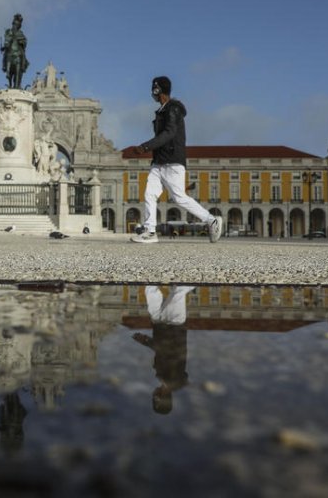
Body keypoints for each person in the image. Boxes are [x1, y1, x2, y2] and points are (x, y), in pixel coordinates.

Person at [131, 76, 223, 244]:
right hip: (159, 161)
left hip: (172, 160)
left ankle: (212, 220)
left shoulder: (173, 109)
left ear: (158, 90)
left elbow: (169, 133)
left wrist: (145, 147)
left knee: (179, 197)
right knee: (149, 194)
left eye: (154, 89)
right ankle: (150, 231)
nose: (152, 92)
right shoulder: (162, 110)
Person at [133, 285, 194, 414]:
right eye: (155, 399)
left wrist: (147, 341)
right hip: (174, 324)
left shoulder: (162, 377)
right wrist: (145, 341)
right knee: (179, 292)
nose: (153, 395)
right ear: (159, 398)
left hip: (159, 324)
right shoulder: (174, 379)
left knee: (151, 290)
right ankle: (202, 272)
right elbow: (166, 350)